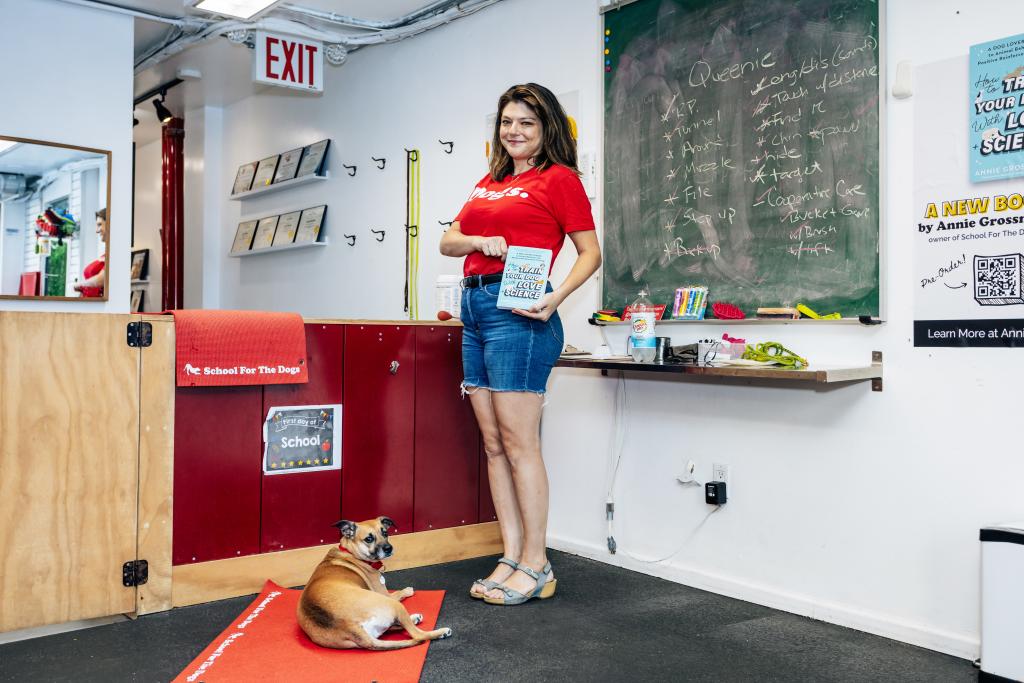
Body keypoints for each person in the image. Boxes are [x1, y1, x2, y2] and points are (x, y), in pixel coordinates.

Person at [439, 83, 602, 605]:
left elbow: (589, 253)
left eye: (526, 123)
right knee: (492, 444)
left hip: (521, 314)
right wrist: (476, 241)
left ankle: (537, 563)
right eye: (507, 122)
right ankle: (511, 555)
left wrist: (556, 298)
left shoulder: (559, 180)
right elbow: (448, 240)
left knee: (519, 443)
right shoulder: (488, 181)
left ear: (546, 127)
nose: (514, 131)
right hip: (474, 307)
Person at [74, 208, 107, 297]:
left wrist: (79, 284)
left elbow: (101, 279)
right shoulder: (104, 255)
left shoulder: (116, 253)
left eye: (100, 225)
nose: (97, 230)